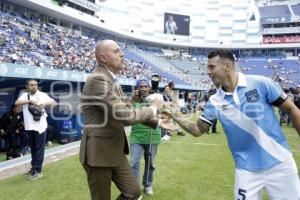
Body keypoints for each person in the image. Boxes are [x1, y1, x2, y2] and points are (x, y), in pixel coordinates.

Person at [163, 49, 300, 200]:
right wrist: (173, 114)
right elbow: (197, 130)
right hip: (246, 171)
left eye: (212, 67)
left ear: (227, 66)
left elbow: (292, 109)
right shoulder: (214, 101)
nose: (208, 72)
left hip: (280, 164)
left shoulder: (260, 83)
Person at [79, 40, 172, 200]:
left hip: (115, 150)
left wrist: (157, 122)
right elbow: (125, 116)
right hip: (98, 153)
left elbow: (124, 111)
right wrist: (154, 108)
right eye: (116, 51)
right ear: (103, 57)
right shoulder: (98, 79)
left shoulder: (111, 80)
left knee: (133, 192)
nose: (121, 54)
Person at [15, 79, 57, 180]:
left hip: (40, 127)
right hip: (29, 127)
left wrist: (44, 103)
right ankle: (33, 168)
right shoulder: (25, 95)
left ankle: (38, 171)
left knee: (39, 150)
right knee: (33, 149)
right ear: (27, 87)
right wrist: (29, 101)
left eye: (35, 85)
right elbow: (17, 103)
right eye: (31, 85)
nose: (34, 87)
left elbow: (54, 102)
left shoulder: (42, 94)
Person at [130, 79, 162, 196]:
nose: (143, 88)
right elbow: (127, 113)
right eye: (141, 86)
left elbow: (164, 113)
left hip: (152, 136)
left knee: (150, 164)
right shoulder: (133, 100)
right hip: (136, 137)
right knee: (134, 163)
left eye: (146, 86)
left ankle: (148, 184)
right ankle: (135, 188)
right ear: (137, 89)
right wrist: (132, 99)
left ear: (149, 88)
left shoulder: (156, 100)